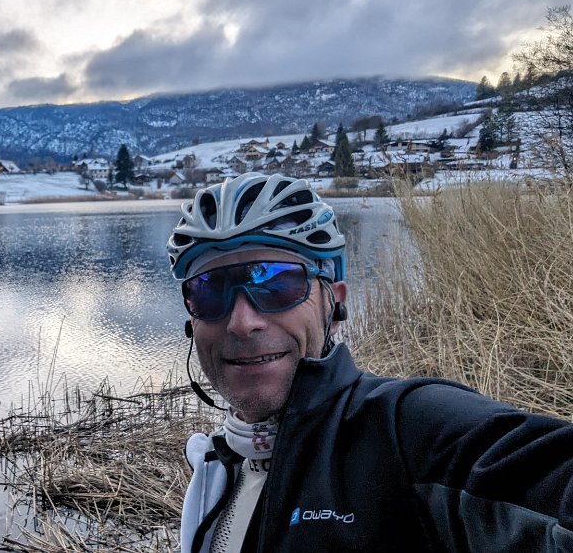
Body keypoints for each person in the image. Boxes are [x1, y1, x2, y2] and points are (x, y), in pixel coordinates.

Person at [168, 172, 573, 552]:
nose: (242, 323)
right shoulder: (216, 468)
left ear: (334, 304)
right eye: (209, 291)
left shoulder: (405, 429)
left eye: (278, 283)